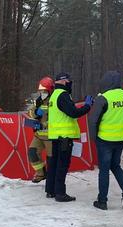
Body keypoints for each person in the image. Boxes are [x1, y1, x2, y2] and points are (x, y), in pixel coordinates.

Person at [87, 71, 123, 210]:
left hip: (105, 139)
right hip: (120, 139)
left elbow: (92, 120)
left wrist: (93, 138)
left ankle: (102, 201)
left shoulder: (103, 98)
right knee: (116, 166)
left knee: (104, 170)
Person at [45, 72, 92, 202]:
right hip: (64, 137)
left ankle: (51, 190)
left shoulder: (54, 95)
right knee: (62, 165)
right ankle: (60, 193)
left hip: (55, 136)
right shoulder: (63, 95)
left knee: (53, 164)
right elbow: (73, 113)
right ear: (65, 81)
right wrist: (87, 106)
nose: (70, 83)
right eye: (69, 81)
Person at [26, 77, 54, 183]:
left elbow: (58, 119)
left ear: (50, 90)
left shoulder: (54, 100)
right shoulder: (39, 101)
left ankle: (52, 181)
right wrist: (36, 112)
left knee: (51, 160)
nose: (42, 93)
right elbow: (31, 112)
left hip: (50, 136)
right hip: (38, 135)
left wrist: (44, 125)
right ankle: (41, 173)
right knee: (32, 153)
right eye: (40, 91)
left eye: (44, 91)